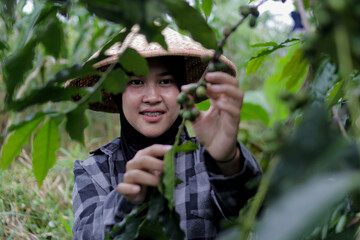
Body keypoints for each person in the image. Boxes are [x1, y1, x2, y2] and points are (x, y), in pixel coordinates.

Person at [70, 26, 262, 240]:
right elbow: (85, 233)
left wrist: (228, 162)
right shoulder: (95, 170)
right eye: (136, 82)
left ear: (183, 88)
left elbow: (262, 214)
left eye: (165, 81)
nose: (152, 97)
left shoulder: (210, 158)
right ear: (117, 94)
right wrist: (126, 201)